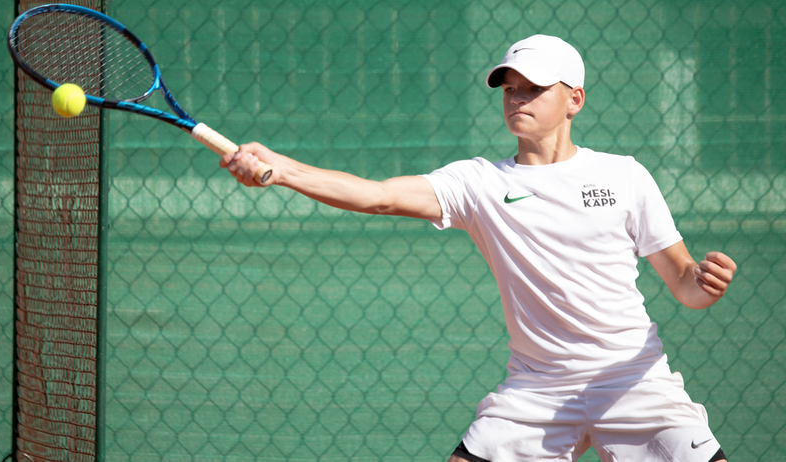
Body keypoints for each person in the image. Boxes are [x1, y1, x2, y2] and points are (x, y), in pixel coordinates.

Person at [220, 34, 737, 462]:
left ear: (574, 99)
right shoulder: (479, 183)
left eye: (534, 88)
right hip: (537, 389)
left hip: (632, 379)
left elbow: (683, 282)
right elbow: (378, 196)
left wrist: (703, 282)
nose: (517, 98)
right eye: (509, 88)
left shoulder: (624, 176)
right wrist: (283, 170)